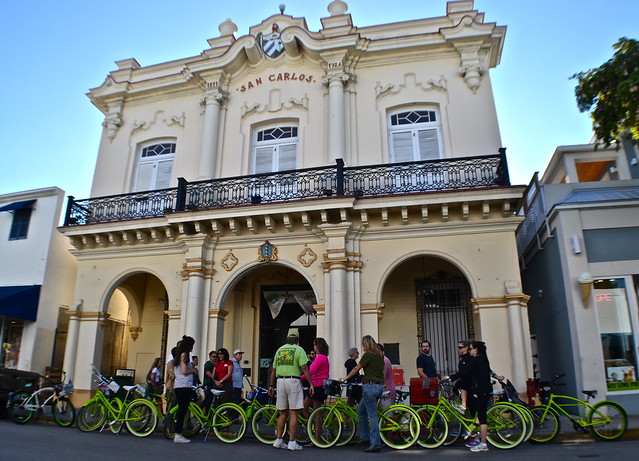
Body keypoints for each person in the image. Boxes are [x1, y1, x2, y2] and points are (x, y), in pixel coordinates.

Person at [268, 328, 314, 452]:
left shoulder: (280, 350)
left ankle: (278, 440)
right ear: (297, 340)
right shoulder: (299, 350)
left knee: (283, 412)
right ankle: (292, 442)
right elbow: (304, 367)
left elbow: (274, 369)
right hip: (293, 381)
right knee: (294, 412)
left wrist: (271, 386)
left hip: (280, 381)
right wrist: (310, 383)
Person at [443, 341, 493, 453]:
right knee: (479, 416)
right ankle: (474, 434)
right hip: (484, 389)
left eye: (471, 349)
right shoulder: (483, 359)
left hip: (482, 390)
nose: (470, 351)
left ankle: (483, 444)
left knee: (482, 417)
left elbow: (464, 371)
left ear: (476, 349)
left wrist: (450, 377)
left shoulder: (477, 360)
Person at [342, 335, 384, 453]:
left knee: (372, 416)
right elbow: (382, 372)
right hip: (379, 386)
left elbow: (356, 368)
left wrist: (345, 378)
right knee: (361, 411)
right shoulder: (380, 355)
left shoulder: (368, 355)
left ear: (366, 344)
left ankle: (375, 444)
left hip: (369, 386)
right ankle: (365, 437)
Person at [173, 335, 197, 444]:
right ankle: (178, 434)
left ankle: (178, 432)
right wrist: (193, 371)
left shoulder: (179, 356)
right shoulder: (185, 356)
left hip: (179, 385)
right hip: (185, 385)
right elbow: (184, 371)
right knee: (183, 410)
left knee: (182, 410)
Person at [454, 340, 472, 413]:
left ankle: (463, 405)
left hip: (469, 384)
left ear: (466, 348)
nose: (459, 349)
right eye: (458, 347)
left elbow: (463, 373)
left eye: (460, 347)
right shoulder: (463, 359)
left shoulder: (468, 358)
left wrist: (451, 377)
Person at [378, 344, 396, 410]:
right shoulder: (384, 359)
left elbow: (383, 375)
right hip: (388, 390)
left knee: (387, 415)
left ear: (381, 351)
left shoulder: (384, 361)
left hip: (387, 391)